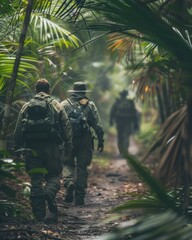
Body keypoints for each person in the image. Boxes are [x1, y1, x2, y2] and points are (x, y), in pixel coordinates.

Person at [14, 79, 73, 222]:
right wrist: (68, 145)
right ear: (49, 90)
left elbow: (18, 129)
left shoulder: (27, 106)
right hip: (52, 148)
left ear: (36, 90)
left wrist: (18, 146)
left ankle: (39, 215)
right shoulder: (56, 105)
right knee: (54, 175)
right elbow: (66, 126)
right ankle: (49, 192)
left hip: (32, 148)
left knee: (35, 180)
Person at [61, 81, 104, 206]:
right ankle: (79, 198)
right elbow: (97, 125)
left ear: (73, 91)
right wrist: (100, 141)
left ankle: (69, 183)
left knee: (67, 163)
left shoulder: (64, 104)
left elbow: (58, 123)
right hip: (85, 140)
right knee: (82, 168)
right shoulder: (90, 105)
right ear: (84, 92)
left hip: (68, 139)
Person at [110, 90, 139, 155]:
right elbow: (134, 114)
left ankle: (121, 151)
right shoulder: (130, 102)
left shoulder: (117, 102)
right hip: (128, 121)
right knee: (127, 135)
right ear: (126, 95)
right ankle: (126, 150)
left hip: (119, 121)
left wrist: (111, 121)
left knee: (120, 136)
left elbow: (112, 112)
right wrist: (136, 124)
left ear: (121, 95)